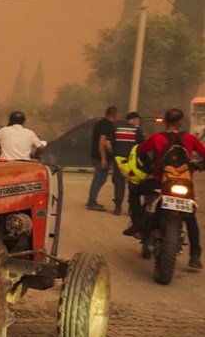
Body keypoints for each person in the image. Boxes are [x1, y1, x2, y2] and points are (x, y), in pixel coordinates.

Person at [129, 108, 205, 270]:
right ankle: (195, 256)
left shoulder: (157, 138)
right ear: (181, 122)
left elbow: (141, 151)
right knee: (190, 217)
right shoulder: (190, 138)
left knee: (134, 191)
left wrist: (150, 166)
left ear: (164, 121)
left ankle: (137, 224)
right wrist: (198, 166)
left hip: (160, 182)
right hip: (185, 185)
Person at [86, 106, 118, 211]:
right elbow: (102, 142)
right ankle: (91, 202)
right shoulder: (108, 125)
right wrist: (104, 158)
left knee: (99, 179)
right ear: (114, 115)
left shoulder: (100, 123)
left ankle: (92, 201)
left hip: (96, 155)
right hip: (100, 157)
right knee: (99, 179)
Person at [112, 111, 143, 217]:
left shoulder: (117, 129)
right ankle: (131, 209)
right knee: (132, 184)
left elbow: (109, 143)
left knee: (119, 184)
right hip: (131, 163)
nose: (138, 122)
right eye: (138, 120)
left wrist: (114, 155)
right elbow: (141, 147)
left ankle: (118, 207)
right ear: (133, 120)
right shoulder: (137, 131)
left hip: (119, 162)